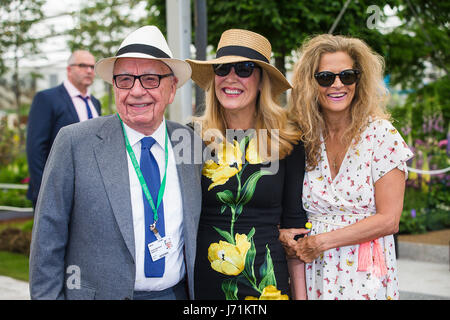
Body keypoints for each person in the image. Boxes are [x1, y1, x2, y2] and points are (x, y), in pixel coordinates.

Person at [29, 26, 202, 300]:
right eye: (124, 79)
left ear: (172, 89)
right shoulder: (75, 143)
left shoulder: (190, 143)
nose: (136, 91)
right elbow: (46, 243)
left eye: (149, 79)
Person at [284, 34, 414, 300]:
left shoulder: (381, 136)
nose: (337, 84)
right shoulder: (304, 138)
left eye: (347, 75)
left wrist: (322, 241)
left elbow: (389, 220)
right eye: (325, 77)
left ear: (360, 79)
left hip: (366, 274)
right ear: (311, 84)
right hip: (314, 273)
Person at [186, 29, 309, 300]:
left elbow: (294, 228)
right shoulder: (191, 138)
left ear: (262, 81)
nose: (231, 78)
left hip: (267, 287)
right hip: (205, 287)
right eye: (222, 68)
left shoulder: (288, 140)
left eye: (244, 69)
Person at [26, 50, 102, 207]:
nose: (89, 70)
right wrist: (45, 192)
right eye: (83, 65)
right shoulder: (47, 99)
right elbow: (35, 149)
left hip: (87, 193)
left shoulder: (95, 103)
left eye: (92, 67)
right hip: (55, 191)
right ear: (69, 69)